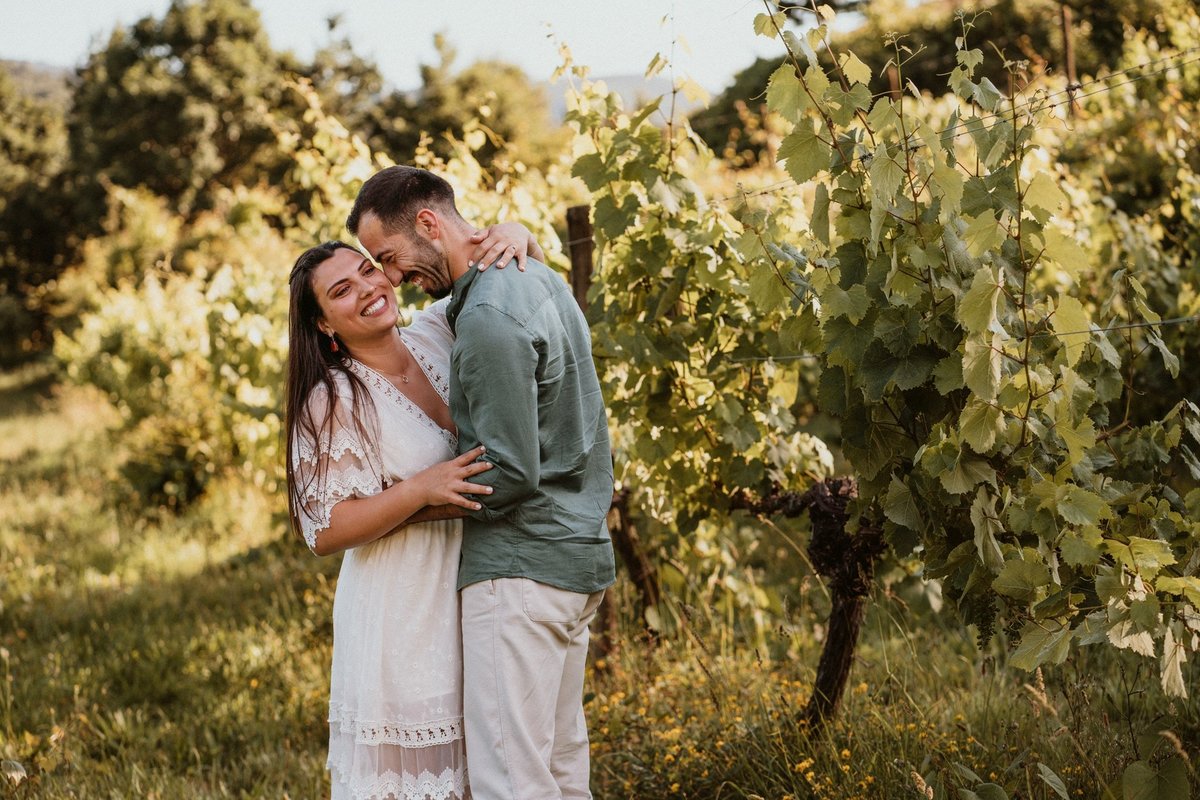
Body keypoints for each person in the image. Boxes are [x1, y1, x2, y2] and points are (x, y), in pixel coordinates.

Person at [347, 166, 616, 800]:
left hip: (521, 572)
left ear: (429, 224)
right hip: (573, 558)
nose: (389, 277)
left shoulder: (488, 319)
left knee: (509, 781)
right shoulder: (531, 277)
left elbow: (511, 471)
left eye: (387, 257)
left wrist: (410, 507)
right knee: (559, 769)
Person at [285, 223, 543, 800]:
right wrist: (418, 489)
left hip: (475, 583)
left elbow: (503, 277)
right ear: (324, 325)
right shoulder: (333, 400)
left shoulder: (438, 333)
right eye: (341, 292)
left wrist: (521, 234)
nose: (368, 289)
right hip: (401, 610)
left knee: (495, 770)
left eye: (367, 271)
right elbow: (323, 530)